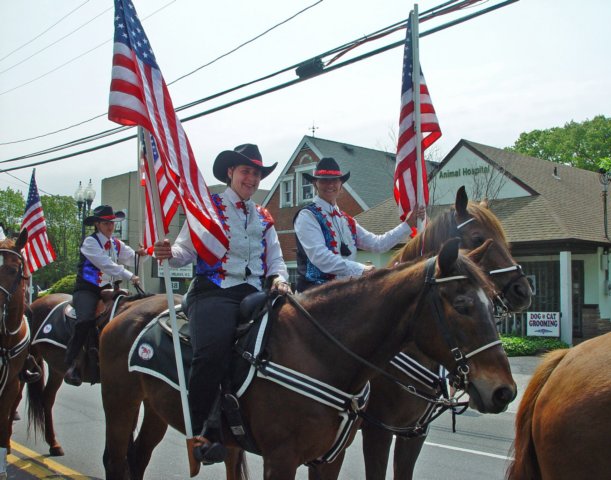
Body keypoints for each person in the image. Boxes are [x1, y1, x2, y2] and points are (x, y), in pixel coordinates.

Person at [154, 143, 291, 465]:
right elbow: (184, 251)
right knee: (211, 352)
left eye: (256, 173)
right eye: (246, 171)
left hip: (255, 292)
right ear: (231, 172)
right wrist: (168, 254)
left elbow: (276, 259)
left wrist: (280, 279)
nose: (252, 178)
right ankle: (204, 432)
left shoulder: (264, 216)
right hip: (213, 290)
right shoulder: (208, 207)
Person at [293, 157, 425, 292]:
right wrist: (360, 269)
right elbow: (320, 256)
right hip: (313, 294)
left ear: (340, 184)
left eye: (334, 180)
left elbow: (377, 244)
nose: (330, 185)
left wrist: (408, 225)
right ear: (315, 184)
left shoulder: (347, 221)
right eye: (324, 180)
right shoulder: (307, 215)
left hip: (344, 292)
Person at [64, 205, 144, 386]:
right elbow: (106, 264)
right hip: (87, 289)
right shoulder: (90, 242)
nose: (110, 226)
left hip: (109, 289)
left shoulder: (116, 243)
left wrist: (144, 253)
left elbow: (132, 258)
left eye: (112, 223)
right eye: (106, 223)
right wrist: (129, 276)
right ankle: (73, 362)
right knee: (84, 320)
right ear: (98, 224)